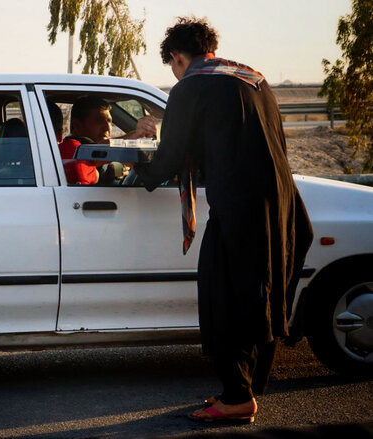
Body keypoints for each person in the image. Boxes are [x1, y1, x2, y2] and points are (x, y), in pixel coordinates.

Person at [133, 17, 314, 423]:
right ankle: (245, 391)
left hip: (239, 208)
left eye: (173, 66)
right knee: (260, 295)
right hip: (283, 202)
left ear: (177, 57)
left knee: (223, 298)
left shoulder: (190, 87)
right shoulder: (256, 80)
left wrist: (139, 174)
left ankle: (237, 397)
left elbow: (172, 154)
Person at [58, 95, 157, 185]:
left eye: (109, 121)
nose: (107, 127)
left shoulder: (94, 160)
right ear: (77, 126)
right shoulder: (71, 148)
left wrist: (107, 179)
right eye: (99, 120)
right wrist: (135, 135)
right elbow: (99, 148)